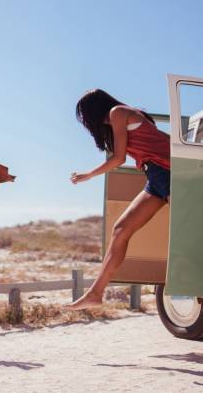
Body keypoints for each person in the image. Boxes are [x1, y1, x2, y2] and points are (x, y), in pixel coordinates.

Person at [67, 89, 170, 310]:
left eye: (85, 116)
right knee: (120, 230)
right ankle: (95, 293)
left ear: (94, 110)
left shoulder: (118, 112)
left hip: (167, 170)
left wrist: (88, 175)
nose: (86, 122)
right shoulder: (119, 116)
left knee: (190, 226)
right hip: (155, 175)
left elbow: (119, 158)